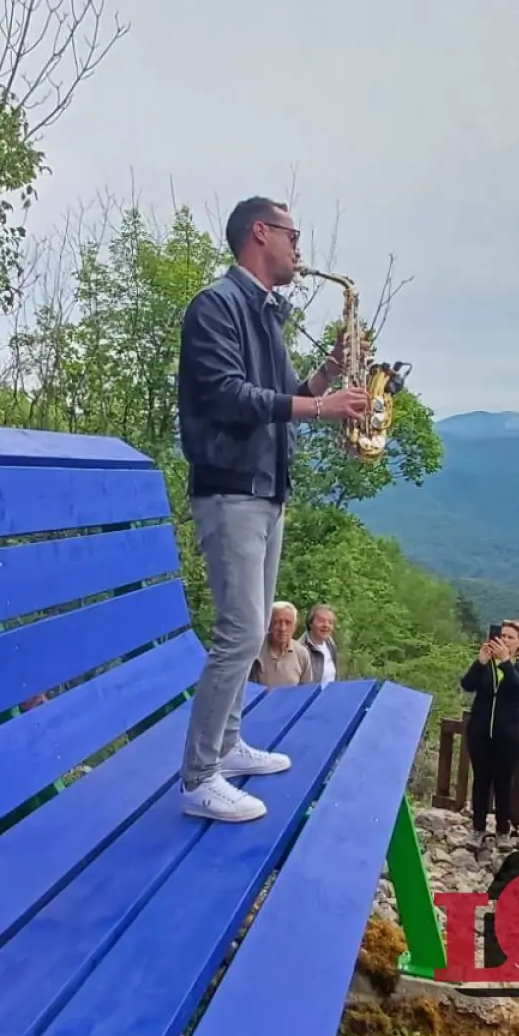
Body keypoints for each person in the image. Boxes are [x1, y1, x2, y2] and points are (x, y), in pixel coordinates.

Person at [174, 196, 370, 823]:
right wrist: (324, 409)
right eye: (293, 234)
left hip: (264, 489)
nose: (300, 248)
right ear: (260, 233)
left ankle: (228, 747)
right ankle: (199, 776)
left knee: (250, 629)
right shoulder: (215, 307)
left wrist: (330, 373)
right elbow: (229, 394)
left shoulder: (263, 315)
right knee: (237, 634)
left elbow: (286, 393)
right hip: (230, 487)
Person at [461, 620, 519, 852]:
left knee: (504, 782)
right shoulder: (487, 664)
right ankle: (478, 828)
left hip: (508, 734)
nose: (504, 640)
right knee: (481, 780)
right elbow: (467, 685)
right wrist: (480, 662)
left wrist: (505, 662)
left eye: (510, 637)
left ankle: (503, 829)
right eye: (502, 635)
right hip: (480, 731)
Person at [249, 601, 312, 687]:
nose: (283, 628)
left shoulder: (301, 654)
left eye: (288, 622)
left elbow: (305, 691)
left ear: (294, 626)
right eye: (277, 622)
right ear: (269, 625)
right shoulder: (255, 649)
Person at [302, 603, 340, 683]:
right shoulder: (301, 648)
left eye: (330, 622)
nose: (326, 625)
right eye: (321, 621)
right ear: (310, 623)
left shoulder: (331, 644)